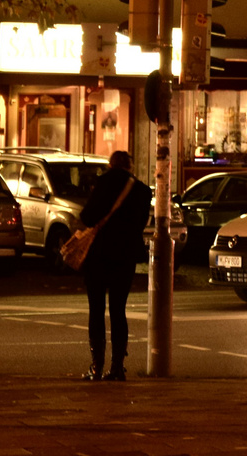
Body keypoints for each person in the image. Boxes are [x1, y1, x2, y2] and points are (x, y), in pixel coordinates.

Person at [78, 150, 152, 381]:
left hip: (99, 255)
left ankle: (96, 367)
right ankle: (117, 367)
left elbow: (87, 217)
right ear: (130, 166)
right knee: (119, 310)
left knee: (96, 309)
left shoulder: (103, 183)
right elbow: (141, 223)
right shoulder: (142, 190)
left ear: (111, 165)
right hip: (125, 256)